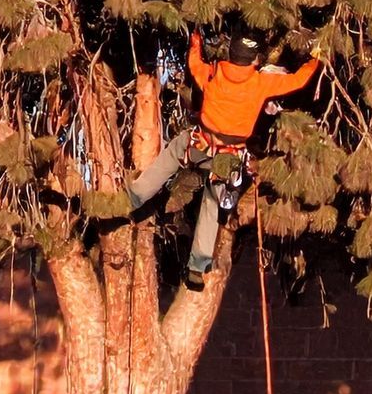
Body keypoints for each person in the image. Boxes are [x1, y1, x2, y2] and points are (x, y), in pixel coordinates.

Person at [125, 31, 322, 288]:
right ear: (254, 61)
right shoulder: (261, 82)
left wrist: (195, 40)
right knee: (212, 203)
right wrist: (315, 59)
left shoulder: (213, 72)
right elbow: (299, 80)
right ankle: (197, 267)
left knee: (175, 151)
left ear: (231, 55)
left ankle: (134, 196)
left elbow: (194, 63)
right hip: (229, 157)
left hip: (200, 144)